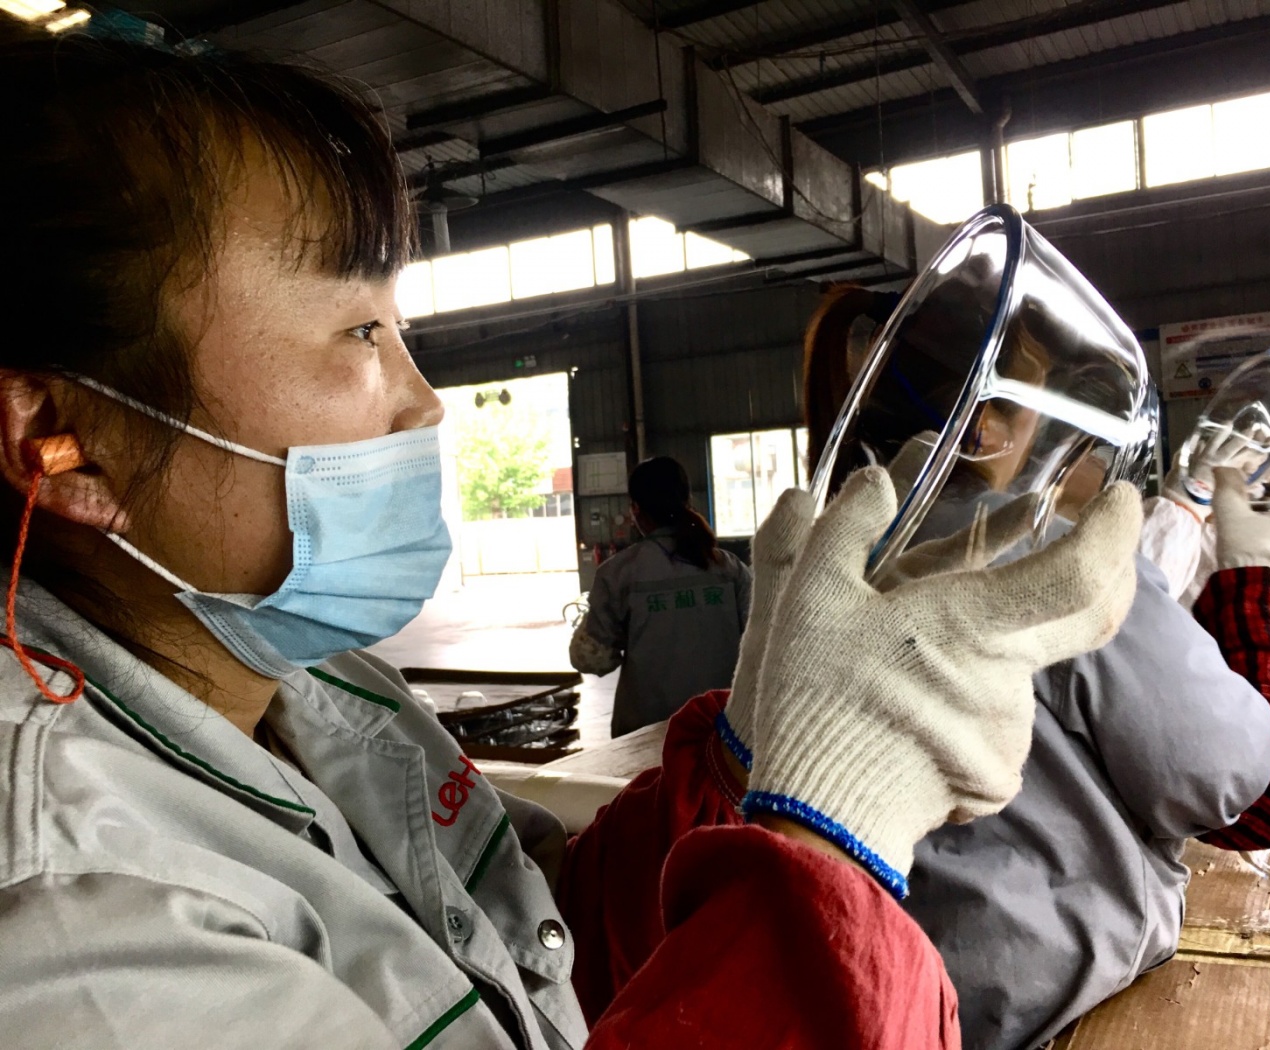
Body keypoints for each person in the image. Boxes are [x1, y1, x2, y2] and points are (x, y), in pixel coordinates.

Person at [0, 32, 1148, 1050]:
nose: (424, 403)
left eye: (401, 327)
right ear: (66, 438)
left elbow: (544, 946)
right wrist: (829, 843)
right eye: (356, 331)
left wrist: (753, 750)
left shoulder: (324, 695)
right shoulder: (72, 912)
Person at [786, 285, 1270, 1050]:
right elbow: (1264, 793)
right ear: (986, 424)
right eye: (1040, 401)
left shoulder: (818, 561)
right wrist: (1261, 578)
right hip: (1042, 1011)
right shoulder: (1042, 553)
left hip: (882, 1006)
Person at [569, 456, 751, 737]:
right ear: (687, 500)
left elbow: (591, 659)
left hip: (646, 733)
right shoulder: (729, 568)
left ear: (636, 509)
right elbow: (762, 640)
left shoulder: (618, 573)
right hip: (723, 730)